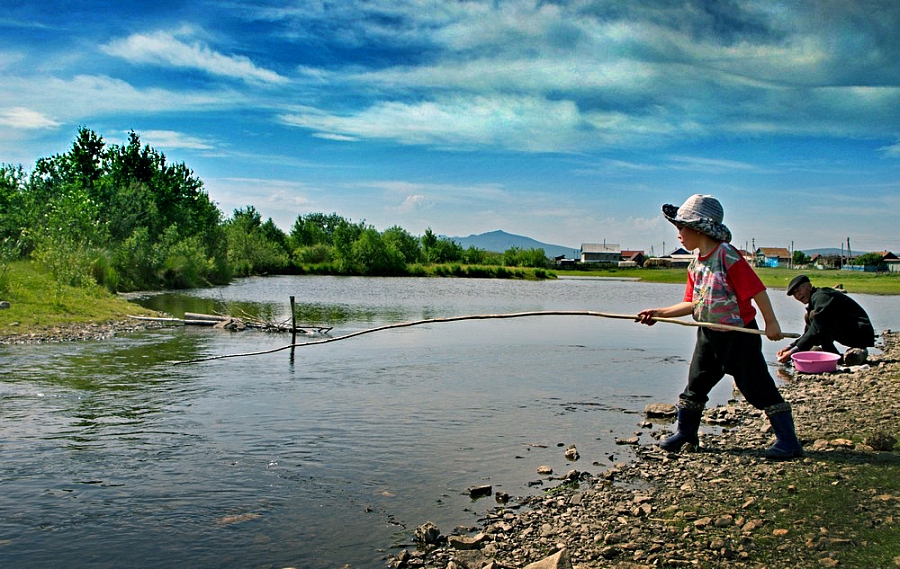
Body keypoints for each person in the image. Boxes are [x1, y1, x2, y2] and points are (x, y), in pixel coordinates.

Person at [636, 194, 802, 460]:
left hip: (739, 336)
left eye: (681, 228)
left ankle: (788, 441)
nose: (678, 234)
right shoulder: (695, 262)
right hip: (708, 334)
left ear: (698, 228)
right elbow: (691, 303)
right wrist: (659, 313)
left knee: (757, 387)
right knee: (695, 385)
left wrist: (771, 322)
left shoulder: (727, 256)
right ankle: (687, 433)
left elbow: (757, 290)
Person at [776, 275, 875, 365]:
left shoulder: (822, 297)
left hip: (860, 333)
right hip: (850, 331)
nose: (797, 295)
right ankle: (835, 357)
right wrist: (790, 347)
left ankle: (835, 358)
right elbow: (809, 333)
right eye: (794, 293)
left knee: (817, 320)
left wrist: (793, 352)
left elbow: (817, 328)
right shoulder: (814, 302)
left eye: (798, 290)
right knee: (810, 317)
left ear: (810, 287)